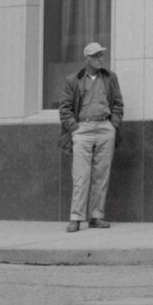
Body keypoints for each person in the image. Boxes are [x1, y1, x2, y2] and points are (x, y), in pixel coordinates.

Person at [58, 41, 123, 233]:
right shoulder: (73, 80)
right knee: (81, 175)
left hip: (105, 127)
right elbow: (65, 108)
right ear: (87, 59)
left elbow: (118, 104)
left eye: (102, 55)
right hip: (83, 128)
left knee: (101, 175)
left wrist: (113, 125)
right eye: (96, 56)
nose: (100, 59)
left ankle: (96, 216)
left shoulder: (111, 78)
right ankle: (76, 218)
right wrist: (75, 129)